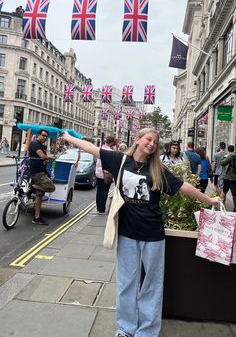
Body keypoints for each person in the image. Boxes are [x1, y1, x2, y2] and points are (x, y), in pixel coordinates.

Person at [63, 127, 221, 337]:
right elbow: (92, 148)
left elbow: (183, 186)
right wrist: (67, 137)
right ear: (137, 139)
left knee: (152, 285)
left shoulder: (158, 169)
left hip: (153, 234)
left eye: (155, 142)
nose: (152, 144)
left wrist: (209, 199)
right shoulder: (119, 160)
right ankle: (126, 328)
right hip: (127, 233)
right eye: (149, 139)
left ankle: (147, 331)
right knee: (126, 283)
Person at [28, 129, 56, 225]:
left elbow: (42, 158)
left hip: (41, 172)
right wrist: (50, 157)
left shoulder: (41, 145)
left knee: (39, 196)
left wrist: (45, 160)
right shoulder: (34, 143)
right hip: (37, 173)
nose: (44, 137)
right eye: (43, 135)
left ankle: (37, 218)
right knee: (51, 187)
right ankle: (33, 187)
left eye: (46, 136)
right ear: (38, 135)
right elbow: (43, 156)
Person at [95, 136, 116, 214]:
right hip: (106, 174)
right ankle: (101, 209)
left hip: (98, 172)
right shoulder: (111, 151)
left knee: (99, 190)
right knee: (104, 191)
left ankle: (98, 207)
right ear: (111, 143)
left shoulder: (99, 149)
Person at [220, 145, 236, 209]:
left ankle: (221, 206)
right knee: (234, 194)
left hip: (229, 177)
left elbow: (223, 163)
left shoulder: (231, 155)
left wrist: (223, 158)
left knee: (224, 191)